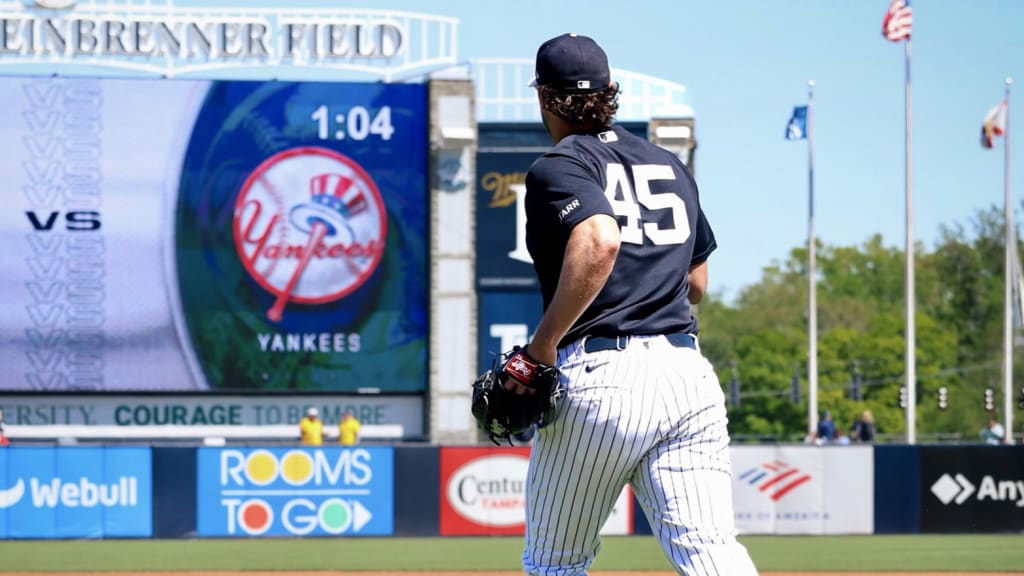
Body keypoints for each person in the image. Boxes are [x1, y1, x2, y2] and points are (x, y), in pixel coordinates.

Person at [515, 33, 758, 576]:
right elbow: (697, 282)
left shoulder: (559, 165)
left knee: (555, 562)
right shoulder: (669, 164)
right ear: (609, 92)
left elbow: (599, 238)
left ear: (546, 98)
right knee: (710, 553)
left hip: (603, 372)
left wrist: (543, 345)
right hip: (687, 374)